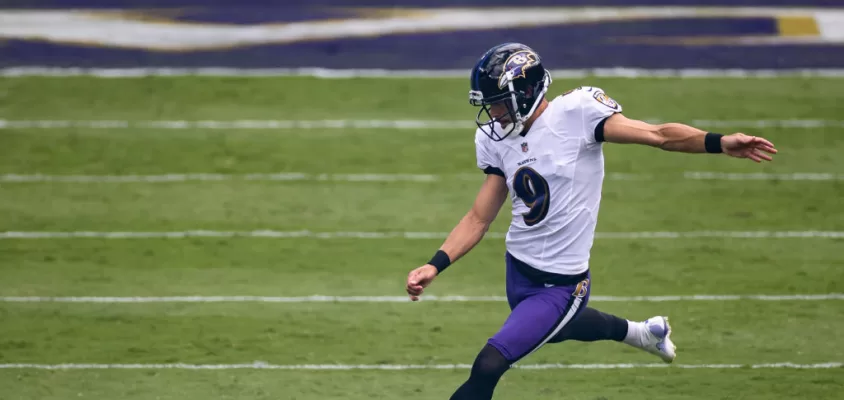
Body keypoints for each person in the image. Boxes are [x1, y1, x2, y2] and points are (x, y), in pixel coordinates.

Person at [404, 42, 777, 400]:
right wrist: (435, 264)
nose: (495, 114)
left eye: (500, 103)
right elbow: (479, 217)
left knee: (489, 365)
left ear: (526, 91)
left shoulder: (577, 113)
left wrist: (719, 141)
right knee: (557, 328)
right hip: (517, 271)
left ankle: (636, 332)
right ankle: (643, 333)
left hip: (562, 284)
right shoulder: (495, 139)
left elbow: (658, 135)